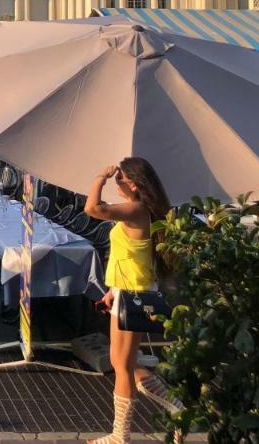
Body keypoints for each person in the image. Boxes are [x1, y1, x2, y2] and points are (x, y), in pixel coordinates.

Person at [84, 158, 180, 444]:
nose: (117, 183)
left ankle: (120, 436)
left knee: (122, 365)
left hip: (135, 294)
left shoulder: (137, 209)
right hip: (127, 291)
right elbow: (130, 256)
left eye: (120, 179)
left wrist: (100, 177)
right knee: (123, 361)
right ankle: (177, 407)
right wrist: (112, 289)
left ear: (134, 184)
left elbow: (92, 209)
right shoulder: (141, 211)